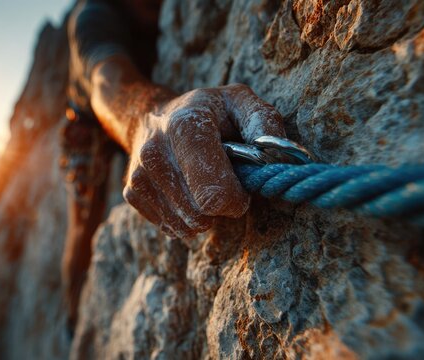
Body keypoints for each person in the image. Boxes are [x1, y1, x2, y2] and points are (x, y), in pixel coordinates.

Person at [60, 0, 287, 331]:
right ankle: (71, 311)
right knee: (82, 220)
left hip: (134, 87)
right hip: (87, 120)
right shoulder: (93, 15)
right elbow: (106, 82)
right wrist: (149, 118)